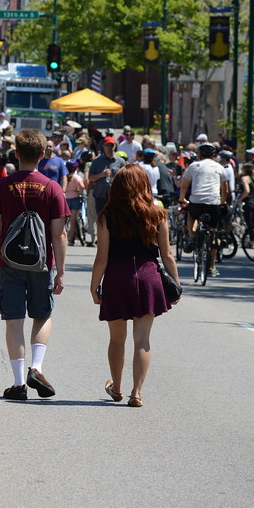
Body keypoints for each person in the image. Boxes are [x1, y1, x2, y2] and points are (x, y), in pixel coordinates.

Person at [0, 129, 69, 400]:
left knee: (14, 319)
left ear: (16, 154)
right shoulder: (52, 187)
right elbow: (59, 233)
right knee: (42, 315)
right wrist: (60, 272)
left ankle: (18, 384)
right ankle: (36, 368)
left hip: (8, 262)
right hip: (42, 263)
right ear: (42, 155)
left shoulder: (2, 186)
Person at [89, 166, 179, 408]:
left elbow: (102, 258)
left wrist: (94, 285)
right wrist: (176, 284)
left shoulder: (107, 216)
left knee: (117, 339)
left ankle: (116, 388)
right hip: (148, 275)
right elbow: (167, 254)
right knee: (143, 339)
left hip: (118, 277)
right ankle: (136, 393)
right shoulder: (157, 214)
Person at [179, 143, 230, 276]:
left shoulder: (194, 166)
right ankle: (212, 266)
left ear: (200, 154)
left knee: (191, 216)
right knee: (213, 233)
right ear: (214, 155)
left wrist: (182, 198)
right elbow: (225, 189)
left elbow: (184, 185)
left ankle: (191, 237)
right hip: (213, 202)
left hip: (197, 201)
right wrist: (223, 201)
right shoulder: (219, 167)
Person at [88, 136, 126, 216]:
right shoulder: (97, 161)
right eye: (107, 145)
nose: (109, 147)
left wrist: (116, 180)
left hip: (115, 195)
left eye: (111, 145)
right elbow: (90, 177)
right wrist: (101, 175)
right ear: (103, 146)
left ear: (114, 146)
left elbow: (125, 179)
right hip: (100, 194)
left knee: (115, 219)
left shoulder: (121, 161)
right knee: (101, 220)